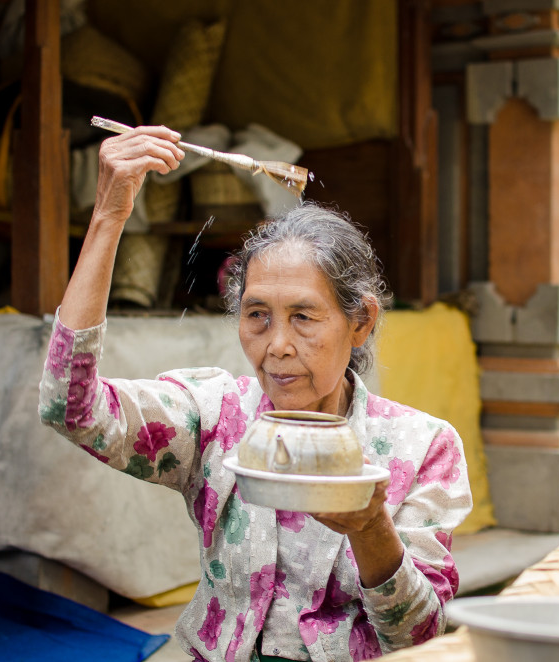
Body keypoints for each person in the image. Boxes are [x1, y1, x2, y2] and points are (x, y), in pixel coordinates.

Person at [38, 126, 472, 662]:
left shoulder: (420, 446)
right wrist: (107, 218)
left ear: (360, 323)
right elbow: (69, 406)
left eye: (304, 317)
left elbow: (420, 639)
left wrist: (371, 527)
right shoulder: (214, 415)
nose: (278, 347)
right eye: (257, 316)